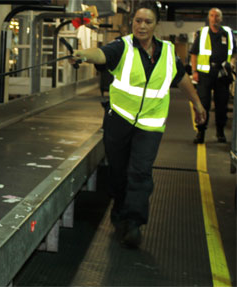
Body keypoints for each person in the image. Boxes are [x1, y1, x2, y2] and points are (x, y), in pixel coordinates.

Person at [69, 1, 206, 248]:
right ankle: (120, 208)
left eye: (148, 22)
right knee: (119, 173)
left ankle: (134, 223)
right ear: (132, 22)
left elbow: (181, 77)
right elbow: (101, 54)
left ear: (156, 25)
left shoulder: (167, 51)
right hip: (119, 121)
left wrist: (197, 103)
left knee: (140, 173)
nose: (142, 26)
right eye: (138, 21)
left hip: (150, 126)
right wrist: (83, 54)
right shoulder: (122, 47)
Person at [190, 8, 237, 144]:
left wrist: (231, 64)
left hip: (222, 74)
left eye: (217, 16)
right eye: (212, 15)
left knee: (221, 104)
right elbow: (194, 53)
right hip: (205, 74)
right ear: (208, 18)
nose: (214, 18)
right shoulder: (203, 33)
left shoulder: (227, 33)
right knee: (202, 104)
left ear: (221, 19)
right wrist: (194, 72)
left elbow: (234, 52)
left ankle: (220, 132)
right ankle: (201, 132)